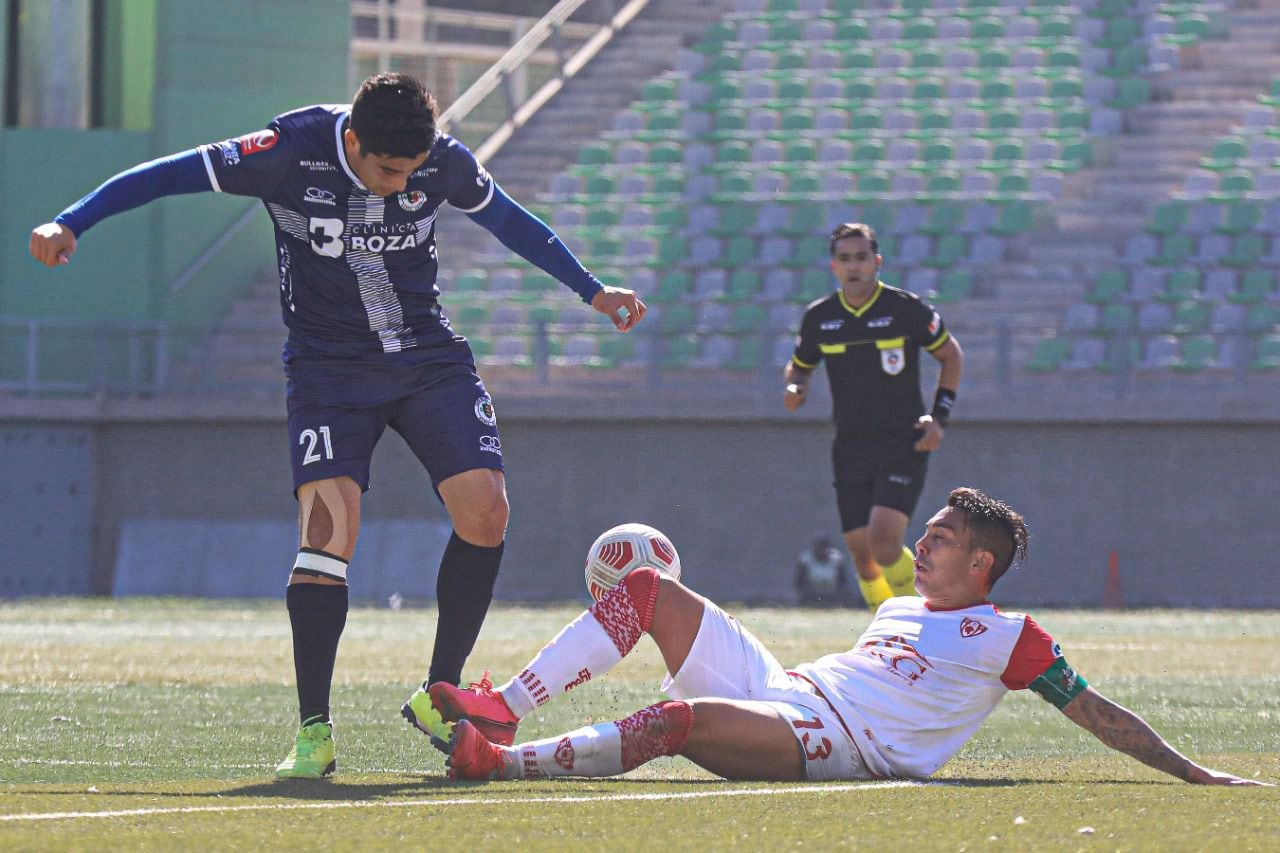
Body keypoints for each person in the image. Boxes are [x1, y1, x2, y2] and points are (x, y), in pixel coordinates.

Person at [28, 72, 647, 779]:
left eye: (410, 172)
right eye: (388, 170)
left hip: (427, 361)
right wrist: (72, 219)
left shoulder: (440, 159)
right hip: (328, 374)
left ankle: (440, 692)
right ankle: (314, 730)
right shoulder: (285, 151)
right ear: (352, 140)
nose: (400, 183)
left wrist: (592, 289)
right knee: (328, 536)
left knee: (488, 512)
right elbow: (168, 175)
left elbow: (509, 220)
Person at [425, 488, 1268, 787]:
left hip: (836, 740)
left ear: (981, 563)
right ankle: (502, 708)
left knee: (673, 722)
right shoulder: (899, 604)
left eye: (939, 535)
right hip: (787, 685)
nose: (922, 542)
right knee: (649, 589)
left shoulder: (1010, 635)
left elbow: (1091, 710)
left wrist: (1190, 770)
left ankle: (497, 761)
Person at [784, 222, 963, 611]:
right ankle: (884, 633)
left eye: (862, 258)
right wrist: (796, 387)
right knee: (863, 557)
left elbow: (951, 356)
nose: (855, 267)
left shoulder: (905, 309)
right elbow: (799, 366)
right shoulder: (821, 318)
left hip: (903, 440)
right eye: (846, 259)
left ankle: (924, 622)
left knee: (884, 544)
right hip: (850, 445)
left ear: (877, 262)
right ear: (834, 266)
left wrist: (939, 418)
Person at [794, 533, 854, 607]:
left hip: (832, 593)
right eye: (818, 547)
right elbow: (799, 582)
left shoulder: (836, 559)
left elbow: (843, 581)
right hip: (812, 593)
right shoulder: (805, 560)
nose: (821, 550)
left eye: (824, 547)